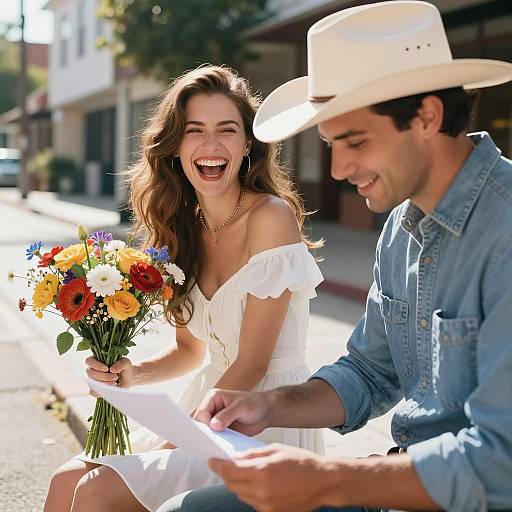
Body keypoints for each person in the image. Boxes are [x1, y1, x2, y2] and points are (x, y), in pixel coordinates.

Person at [158, 2, 512, 512]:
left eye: (355, 142)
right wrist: (265, 403)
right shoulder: (399, 228)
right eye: (329, 144)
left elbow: (499, 464)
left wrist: (329, 479)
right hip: (395, 488)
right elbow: (369, 373)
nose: (340, 168)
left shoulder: (503, 234)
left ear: (428, 116)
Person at [43, 65, 325, 512]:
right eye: (195, 131)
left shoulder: (270, 218)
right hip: (205, 404)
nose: (211, 146)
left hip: (257, 417)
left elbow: (252, 364)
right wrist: (131, 375)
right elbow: (190, 352)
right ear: (175, 146)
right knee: (66, 481)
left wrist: (174, 447)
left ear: (247, 144)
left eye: (226, 130)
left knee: (97, 491)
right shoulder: (182, 230)